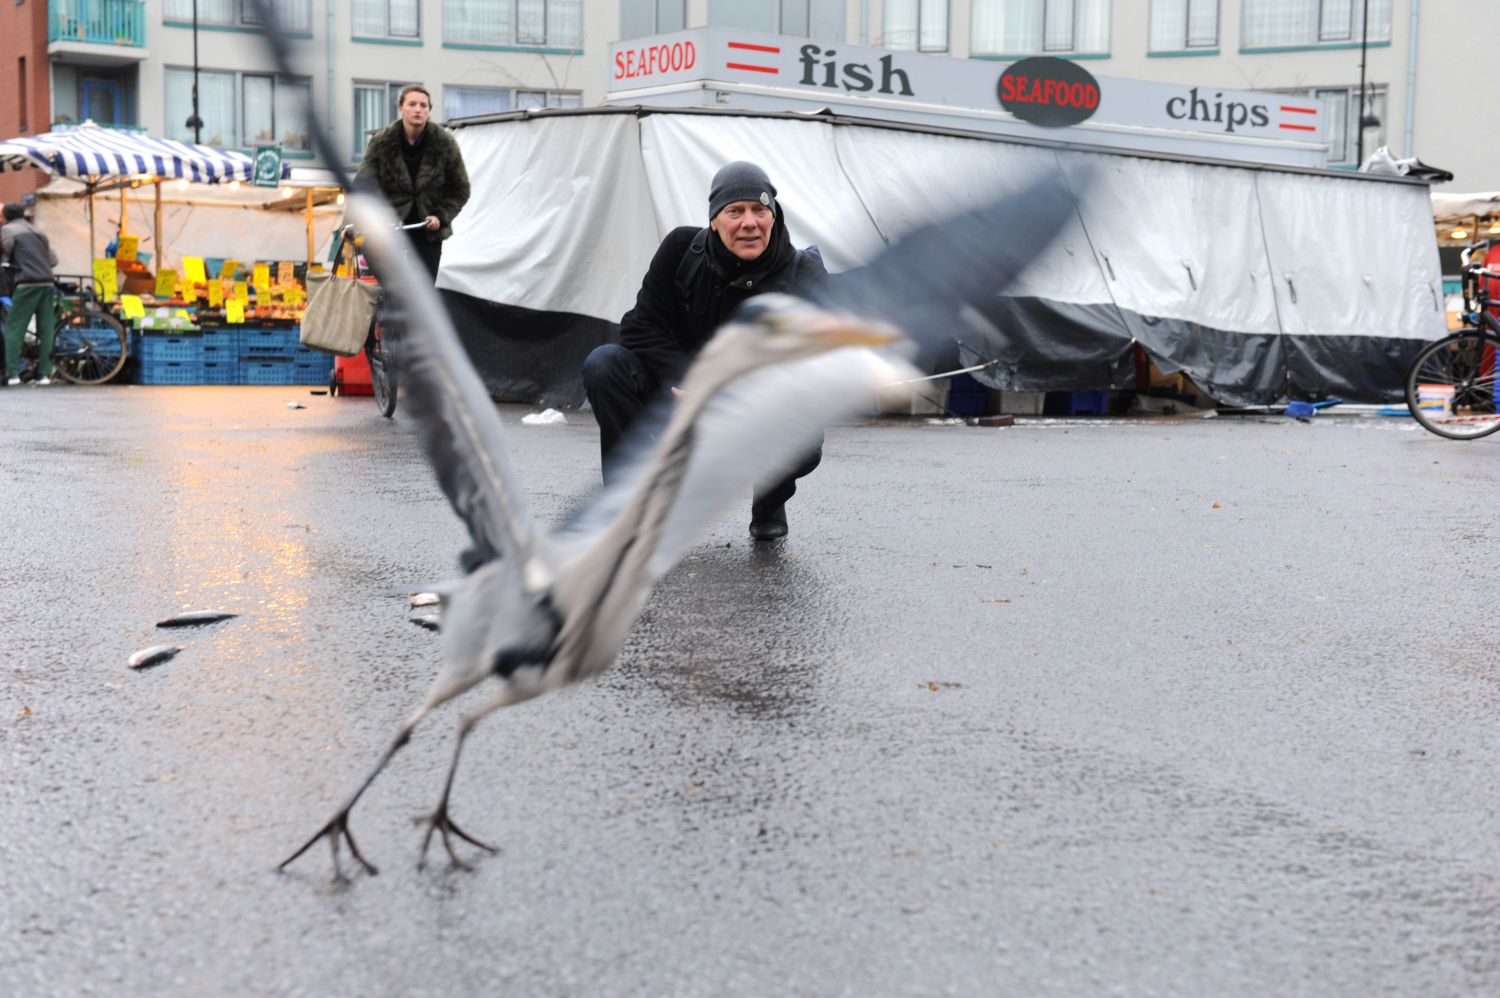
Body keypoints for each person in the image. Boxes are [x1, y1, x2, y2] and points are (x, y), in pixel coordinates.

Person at [582, 161, 827, 541]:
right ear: (714, 220)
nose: (750, 222)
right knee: (604, 365)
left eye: (760, 210)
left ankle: (769, 497)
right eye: (735, 211)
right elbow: (638, 326)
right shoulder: (682, 250)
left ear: (773, 217)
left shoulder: (803, 275)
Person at [350, 84, 470, 280]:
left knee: (425, 288)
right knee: (391, 289)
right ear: (401, 108)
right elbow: (362, 186)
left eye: (423, 105)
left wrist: (440, 216)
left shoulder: (444, 142)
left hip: (427, 232)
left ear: (429, 111)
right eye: (412, 104)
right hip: (389, 231)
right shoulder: (382, 141)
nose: (418, 109)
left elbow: (460, 188)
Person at [2, 202, 57, 386]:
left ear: (6, 216)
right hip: (47, 282)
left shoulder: (8, 230)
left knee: (14, 327)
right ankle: (44, 374)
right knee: (46, 329)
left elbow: (5, 253)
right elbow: (53, 260)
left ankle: (13, 374)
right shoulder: (39, 232)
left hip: (26, 283)